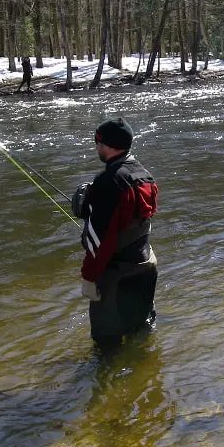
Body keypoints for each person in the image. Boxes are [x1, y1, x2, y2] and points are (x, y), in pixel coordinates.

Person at [73, 117, 159, 347]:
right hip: (146, 266)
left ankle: (107, 383)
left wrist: (89, 276)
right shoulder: (144, 174)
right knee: (141, 336)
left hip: (116, 275)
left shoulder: (107, 182)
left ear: (108, 145)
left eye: (98, 143)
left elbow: (99, 240)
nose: (96, 147)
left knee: (106, 347)